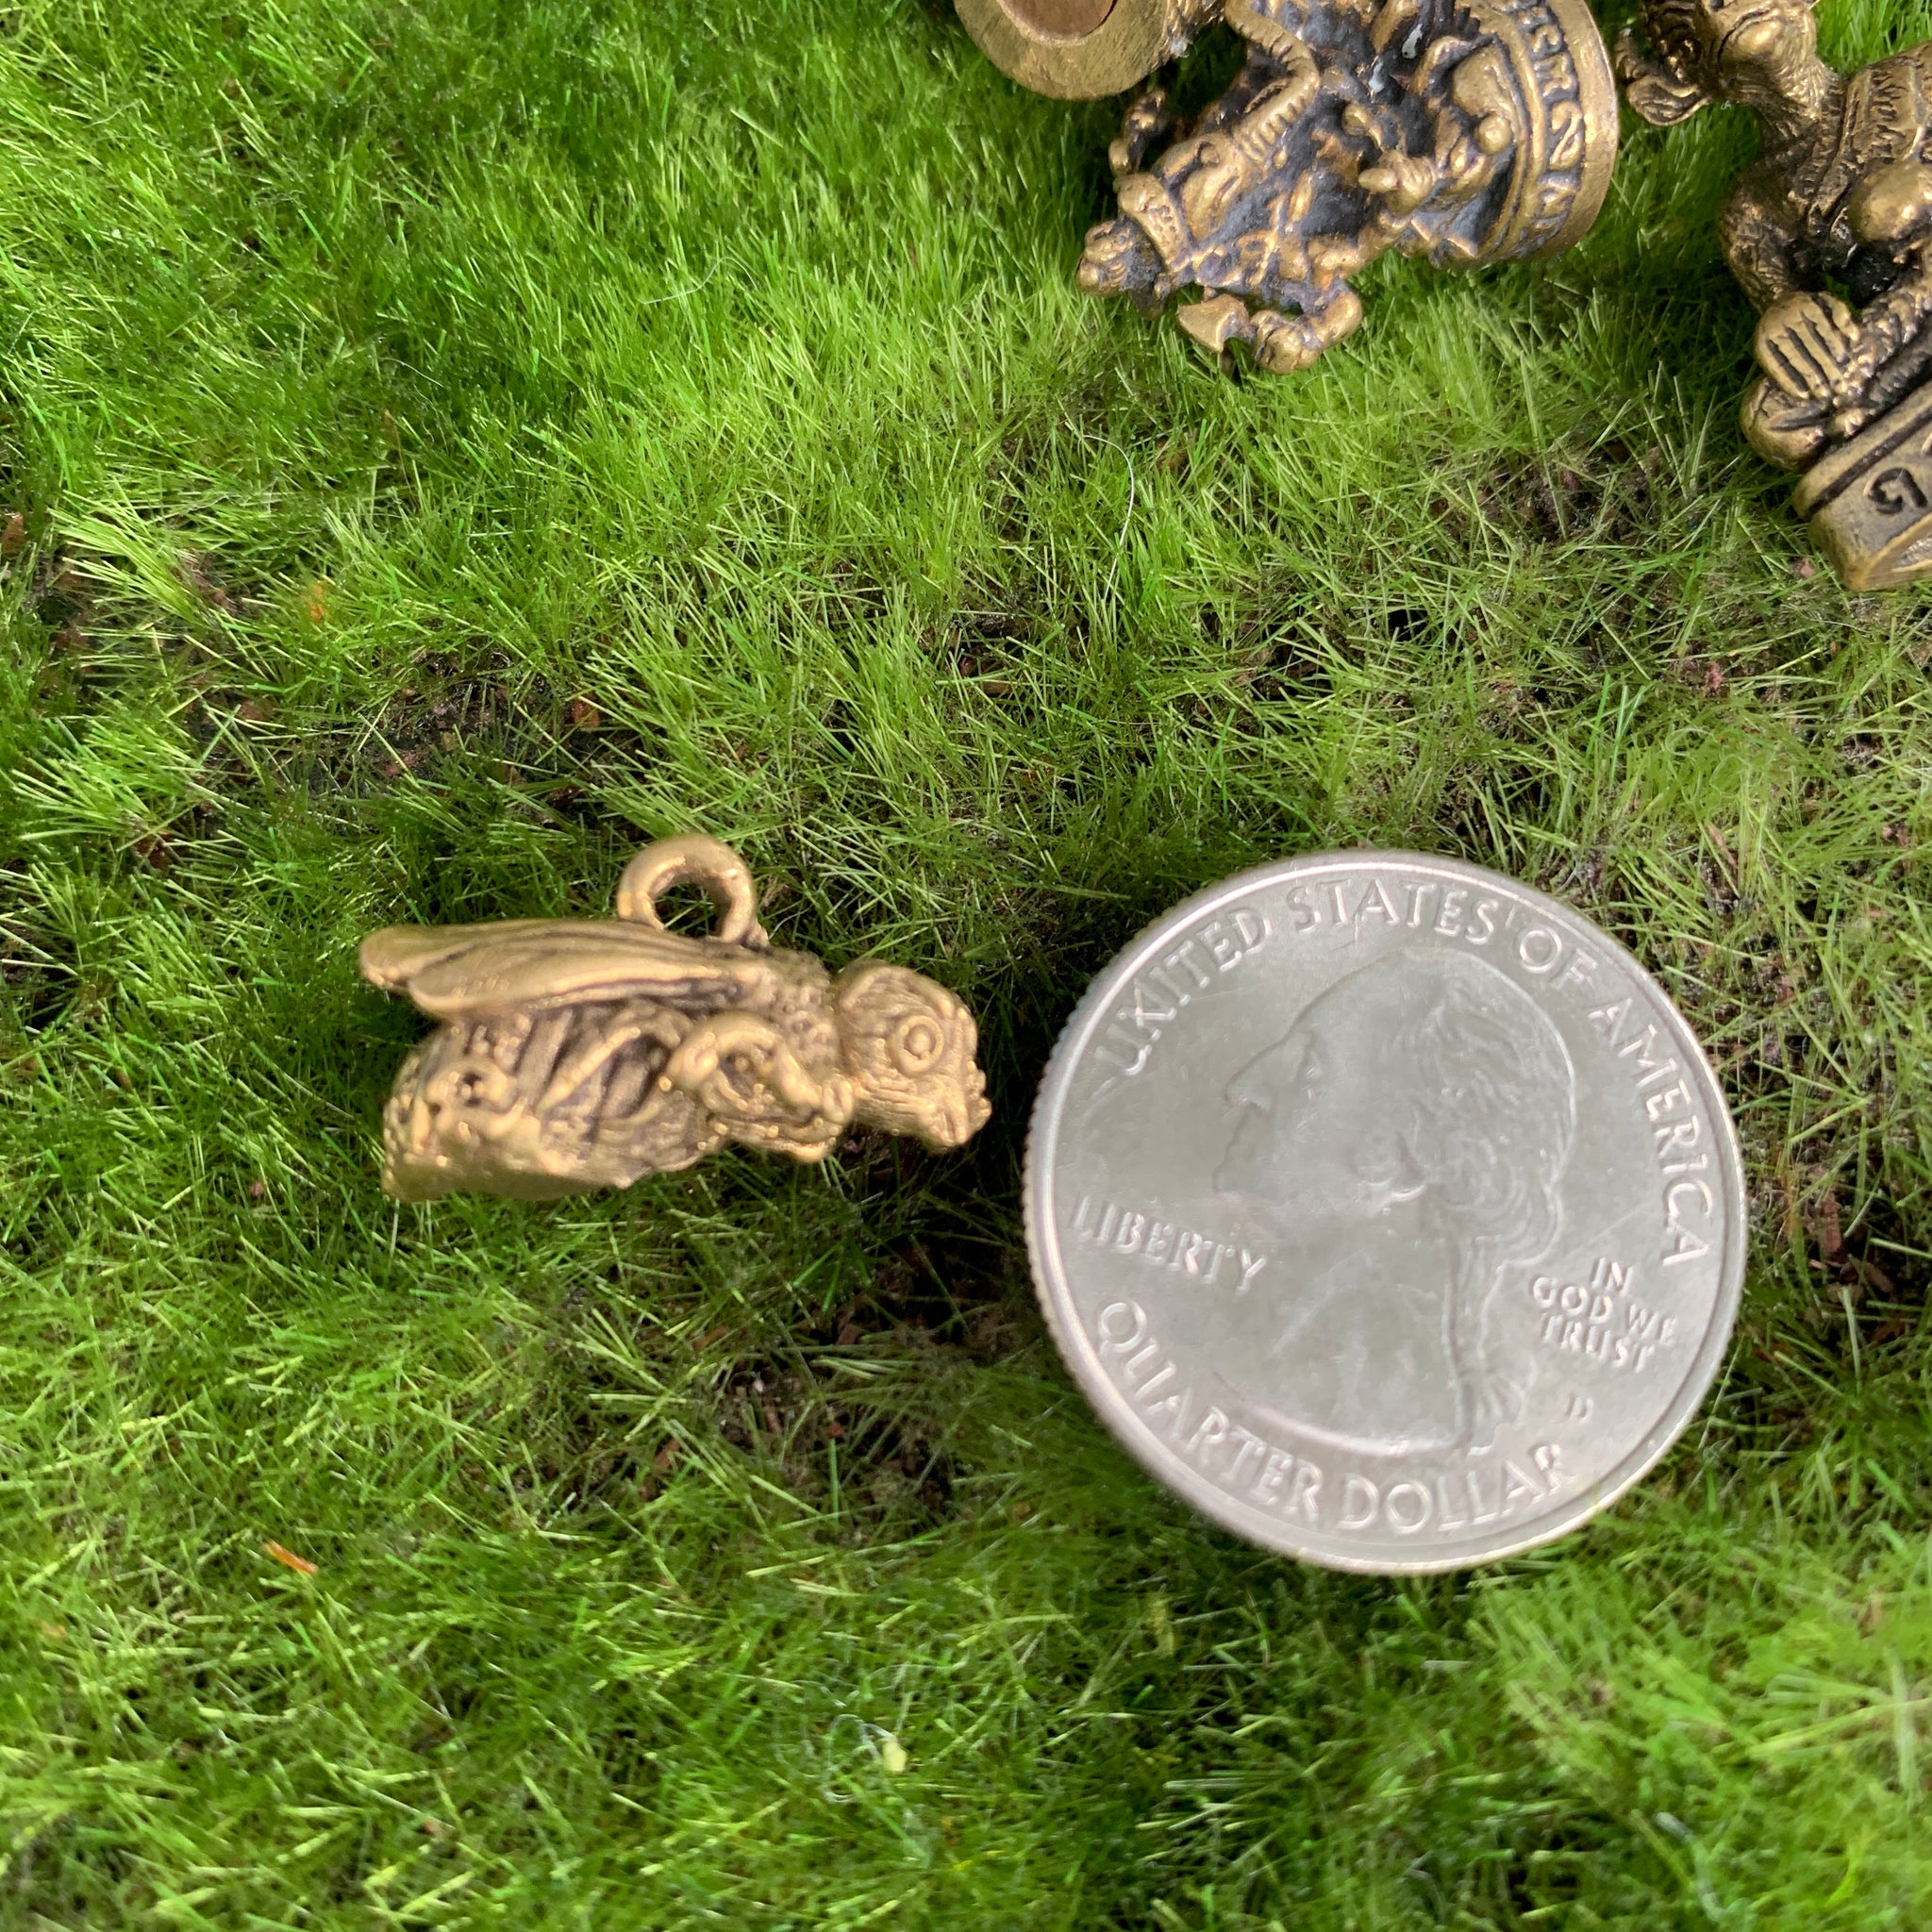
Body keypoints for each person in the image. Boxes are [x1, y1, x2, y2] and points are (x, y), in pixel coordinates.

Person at [1214, 948, 1574, 1457]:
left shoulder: (1362, 1385)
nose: (1242, 1087)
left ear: (1409, 1146)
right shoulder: (1278, 1327)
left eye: (1312, 1069)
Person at [1618, 0, 1932, 466]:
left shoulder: (1916, 72)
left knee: (1883, 207)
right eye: (1688, 23)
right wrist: (1788, 318)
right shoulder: (1751, 208)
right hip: (1897, 321)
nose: (1715, 5)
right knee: (1768, 416)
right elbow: (1782, 300)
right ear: (1682, 88)